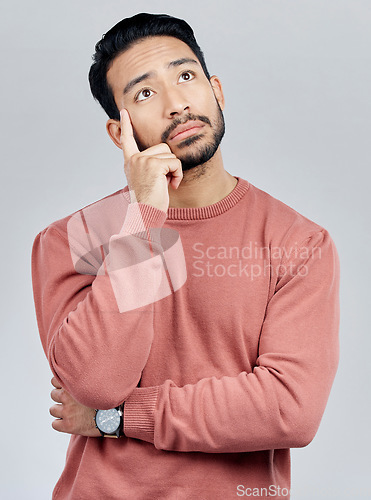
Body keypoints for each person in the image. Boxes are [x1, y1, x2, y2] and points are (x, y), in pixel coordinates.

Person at [31, 12, 340, 500]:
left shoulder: (298, 242)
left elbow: (290, 409)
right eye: (145, 94)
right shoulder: (69, 239)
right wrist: (144, 217)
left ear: (216, 90)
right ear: (120, 134)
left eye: (186, 76)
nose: (177, 104)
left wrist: (119, 420)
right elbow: (96, 382)